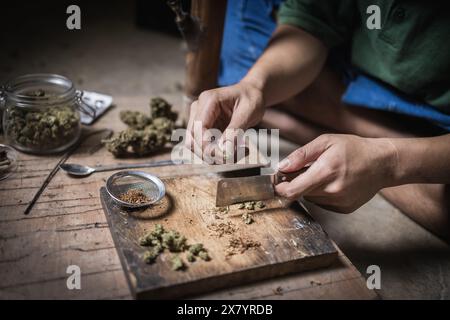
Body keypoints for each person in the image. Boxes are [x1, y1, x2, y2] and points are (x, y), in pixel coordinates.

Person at [186, 0, 450, 240]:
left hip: (436, 115)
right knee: (237, 49)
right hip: (355, 66)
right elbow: (311, 21)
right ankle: (353, 145)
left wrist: (390, 162)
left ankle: (343, 141)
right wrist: (255, 86)